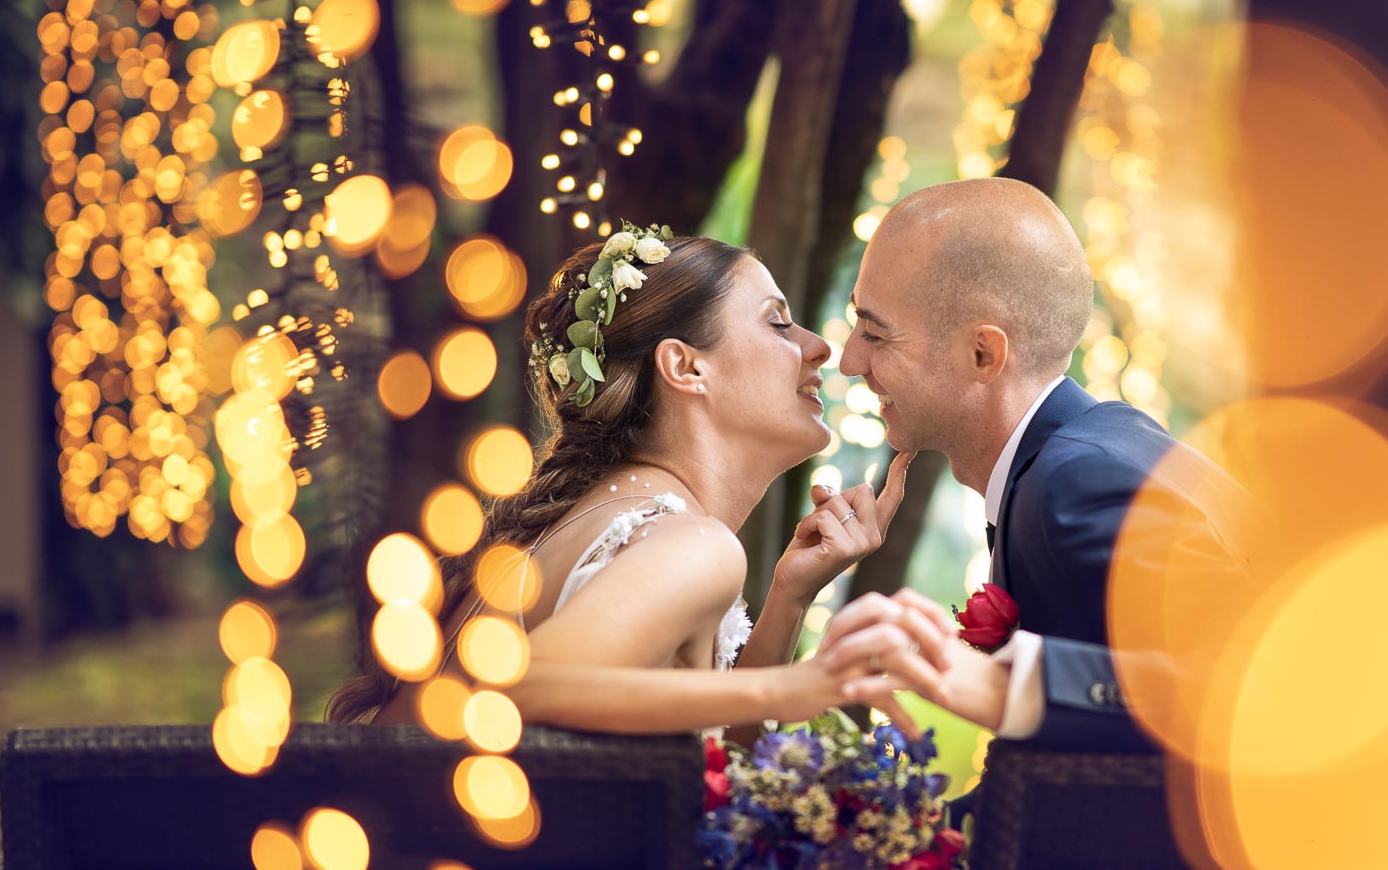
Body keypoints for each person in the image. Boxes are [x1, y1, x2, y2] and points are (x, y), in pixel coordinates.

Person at [326, 227, 953, 735]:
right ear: (685, 366)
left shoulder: (609, 518)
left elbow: (715, 773)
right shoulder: (691, 544)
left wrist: (790, 594)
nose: (819, 348)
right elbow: (521, 688)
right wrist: (799, 686)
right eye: (777, 323)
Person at [834, 178, 1255, 751]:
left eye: (875, 333)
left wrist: (1013, 685)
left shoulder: (1080, 481)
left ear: (983, 353)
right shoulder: (1092, 449)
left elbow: (1260, 687)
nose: (849, 360)